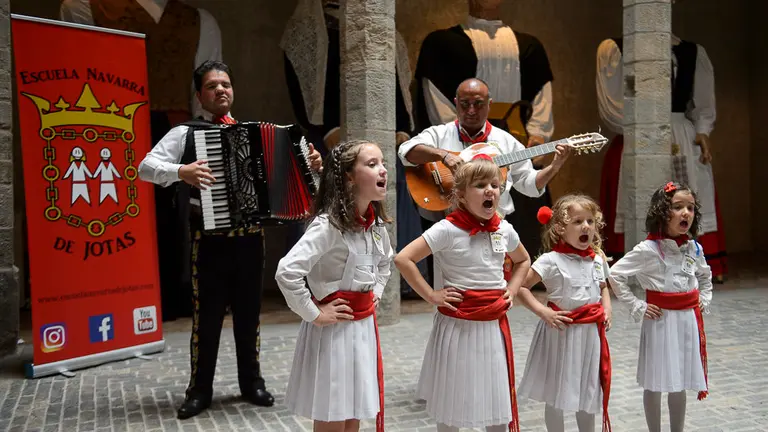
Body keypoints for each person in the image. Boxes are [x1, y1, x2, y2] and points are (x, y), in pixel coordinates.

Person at [137, 60, 323, 419]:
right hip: (208, 242)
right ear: (199, 95)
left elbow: (300, 181)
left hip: (250, 240)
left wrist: (310, 164)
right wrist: (181, 171)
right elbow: (145, 167)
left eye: (225, 84)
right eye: (211, 86)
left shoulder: (255, 133)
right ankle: (199, 390)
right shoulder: (185, 134)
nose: (220, 90)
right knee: (205, 320)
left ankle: (251, 382)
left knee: (249, 317)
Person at [61, 0, 225, 320]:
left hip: (171, 128)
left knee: (172, 217)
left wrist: (201, 139)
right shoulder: (85, 7)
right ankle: (112, 299)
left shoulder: (198, 20)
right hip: (109, 128)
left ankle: (173, 297)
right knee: (111, 213)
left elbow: (208, 89)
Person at [280, 0, 425, 297]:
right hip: (327, 131)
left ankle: (401, 284)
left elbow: (391, 76)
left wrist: (402, 128)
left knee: (389, 180)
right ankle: (321, 281)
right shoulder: (308, 27)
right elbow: (307, 84)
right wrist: (329, 129)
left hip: (381, 135)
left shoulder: (384, 27)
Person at [395, 156, 531, 432]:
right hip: (457, 326)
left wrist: (513, 289)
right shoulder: (447, 229)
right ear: (460, 196)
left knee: (495, 397)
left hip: (493, 327)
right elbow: (403, 259)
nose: (490, 190)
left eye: (495, 184)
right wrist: (432, 295)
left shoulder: (503, 229)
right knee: (453, 398)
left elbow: (523, 260)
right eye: (480, 185)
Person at [413, 0, 556, 260]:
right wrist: (455, 142)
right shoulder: (440, 44)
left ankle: (516, 275)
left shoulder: (530, 47)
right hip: (461, 145)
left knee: (518, 210)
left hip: (515, 138)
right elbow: (435, 100)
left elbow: (541, 98)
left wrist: (538, 135)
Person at [398, 78, 571, 286]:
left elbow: (530, 184)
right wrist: (443, 155)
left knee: (493, 290)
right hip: (451, 227)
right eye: (464, 104)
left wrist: (555, 166)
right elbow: (406, 151)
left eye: (478, 104)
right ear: (455, 103)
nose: (471, 110)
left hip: (494, 229)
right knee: (450, 293)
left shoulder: (506, 141)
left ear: (490, 104)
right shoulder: (440, 134)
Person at [275, 140, 392, 432]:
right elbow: (287, 272)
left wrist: (374, 294)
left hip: (362, 328)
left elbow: (384, 264)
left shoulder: (375, 226)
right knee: (333, 411)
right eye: (372, 164)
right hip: (333, 332)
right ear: (349, 177)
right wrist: (315, 313)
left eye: (383, 163)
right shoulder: (328, 226)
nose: (383, 170)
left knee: (353, 411)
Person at [596, 33, 728, 283]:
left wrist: (702, 130)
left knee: (687, 196)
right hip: (638, 132)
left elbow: (702, 102)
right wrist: (639, 127)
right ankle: (639, 265)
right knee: (643, 196)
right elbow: (613, 105)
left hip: (681, 135)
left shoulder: (691, 52)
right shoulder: (616, 48)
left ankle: (699, 264)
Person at [608, 181, 713, 432]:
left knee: (679, 381)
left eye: (690, 207)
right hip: (660, 321)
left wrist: (704, 298)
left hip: (687, 320)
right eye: (678, 207)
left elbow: (705, 276)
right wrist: (637, 305)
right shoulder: (648, 250)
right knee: (655, 381)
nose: (685, 212)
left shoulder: (693, 248)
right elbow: (615, 274)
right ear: (662, 213)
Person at [516, 195, 613, 432]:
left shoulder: (597, 259)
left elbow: (602, 287)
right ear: (560, 227)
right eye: (578, 221)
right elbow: (520, 287)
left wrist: (607, 308)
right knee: (556, 392)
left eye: (590, 221)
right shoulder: (550, 260)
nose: (586, 227)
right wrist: (543, 311)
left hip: (590, 335)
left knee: (588, 389)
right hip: (560, 333)